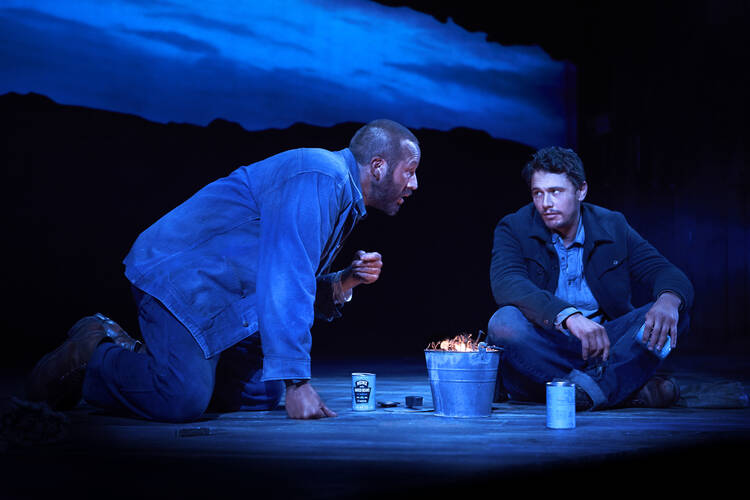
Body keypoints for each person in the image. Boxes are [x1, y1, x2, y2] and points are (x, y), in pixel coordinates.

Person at [27, 119, 421, 421]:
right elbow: (285, 277)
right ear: (378, 165)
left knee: (259, 394)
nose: (415, 184)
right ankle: (92, 350)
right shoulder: (320, 175)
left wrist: (342, 282)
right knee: (180, 398)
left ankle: (146, 356)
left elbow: (280, 274)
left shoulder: (339, 194)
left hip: (223, 300)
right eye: (410, 171)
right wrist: (297, 381)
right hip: (184, 280)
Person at [487, 147, 693, 410]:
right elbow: (507, 282)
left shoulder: (613, 225)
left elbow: (666, 272)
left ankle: (587, 388)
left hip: (606, 348)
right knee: (504, 322)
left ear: (581, 190)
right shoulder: (514, 226)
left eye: (556, 192)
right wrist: (569, 316)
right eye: (538, 193)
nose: (545, 203)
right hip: (545, 346)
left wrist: (668, 300)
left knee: (676, 310)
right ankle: (614, 388)